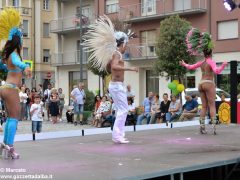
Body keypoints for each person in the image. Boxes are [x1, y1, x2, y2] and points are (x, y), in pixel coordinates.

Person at [83, 15, 138, 143]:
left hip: (116, 85)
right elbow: (114, 66)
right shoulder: (117, 53)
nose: (126, 47)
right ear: (123, 43)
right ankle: (117, 136)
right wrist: (130, 69)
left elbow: (109, 67)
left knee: (121, 110)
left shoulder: (115, 54)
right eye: (126, 44)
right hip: (116, 86)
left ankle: (119, 134)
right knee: (124, 110)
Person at [180, 28, 227, 134]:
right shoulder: (211, 62)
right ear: (211, 52)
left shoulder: (202, 63)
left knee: (204, 106)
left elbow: (191, 67)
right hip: (209, 83)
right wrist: (223, 65)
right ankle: (214, 127)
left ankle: (202, 128)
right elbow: (217, 70)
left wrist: (183, 64)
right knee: (212, 105)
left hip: (200, 84)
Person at [0, 8, 32, 159]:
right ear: (18, 41)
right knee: (14, 117)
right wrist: (25, 66)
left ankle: (5, 144)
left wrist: (17, 66)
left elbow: (4, 66)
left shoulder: (7, 55)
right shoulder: (14, 54)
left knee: (10, 118)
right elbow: (18, 62)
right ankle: (10, 147)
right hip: (11, 89)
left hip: (5, 87)